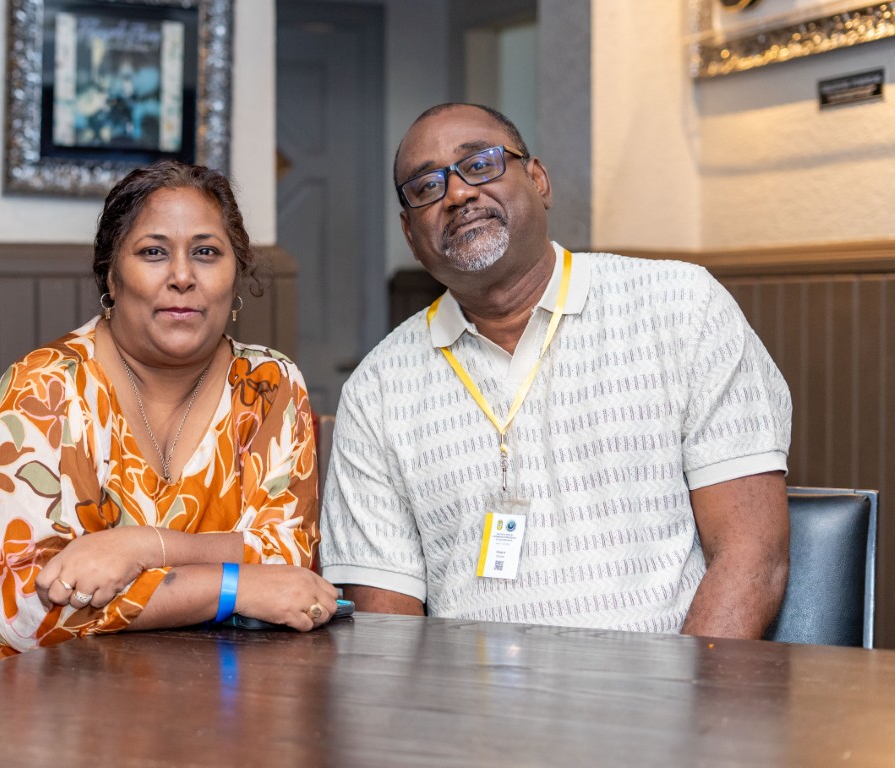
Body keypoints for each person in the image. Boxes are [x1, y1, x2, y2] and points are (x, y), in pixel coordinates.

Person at [319, 103, 792, 640]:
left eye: (480, 164)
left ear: (538, 180)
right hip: (468, 693)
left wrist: (682, 693)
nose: (457, 194)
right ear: (410, 232)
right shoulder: (378, 389)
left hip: (667, 682)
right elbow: (386, 624)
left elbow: (752, 558)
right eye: (427, 187)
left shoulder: (683, 306)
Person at [0, 160, 337, 686]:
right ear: (111, 277)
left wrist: (140, 548)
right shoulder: (45, 389)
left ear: (235, 274)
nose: (182, 276)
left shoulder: (269, 385)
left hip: (160, 692)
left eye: (206, 252)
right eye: (153, 252)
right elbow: (29, 610)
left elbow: (286, 563)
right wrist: (232, 586)